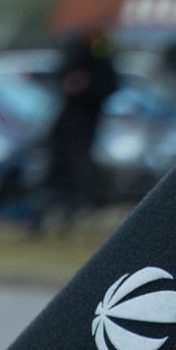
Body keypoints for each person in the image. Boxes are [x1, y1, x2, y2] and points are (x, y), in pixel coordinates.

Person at [44, 28, 121, 229]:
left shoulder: (101, 56)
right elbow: (60, 75)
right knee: (55, 171)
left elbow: (110, 85)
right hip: (65, 125)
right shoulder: (75, 49)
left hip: (84, 128)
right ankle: (43, 217)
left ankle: (69, 216)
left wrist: (87, 86)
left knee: (76, 173)